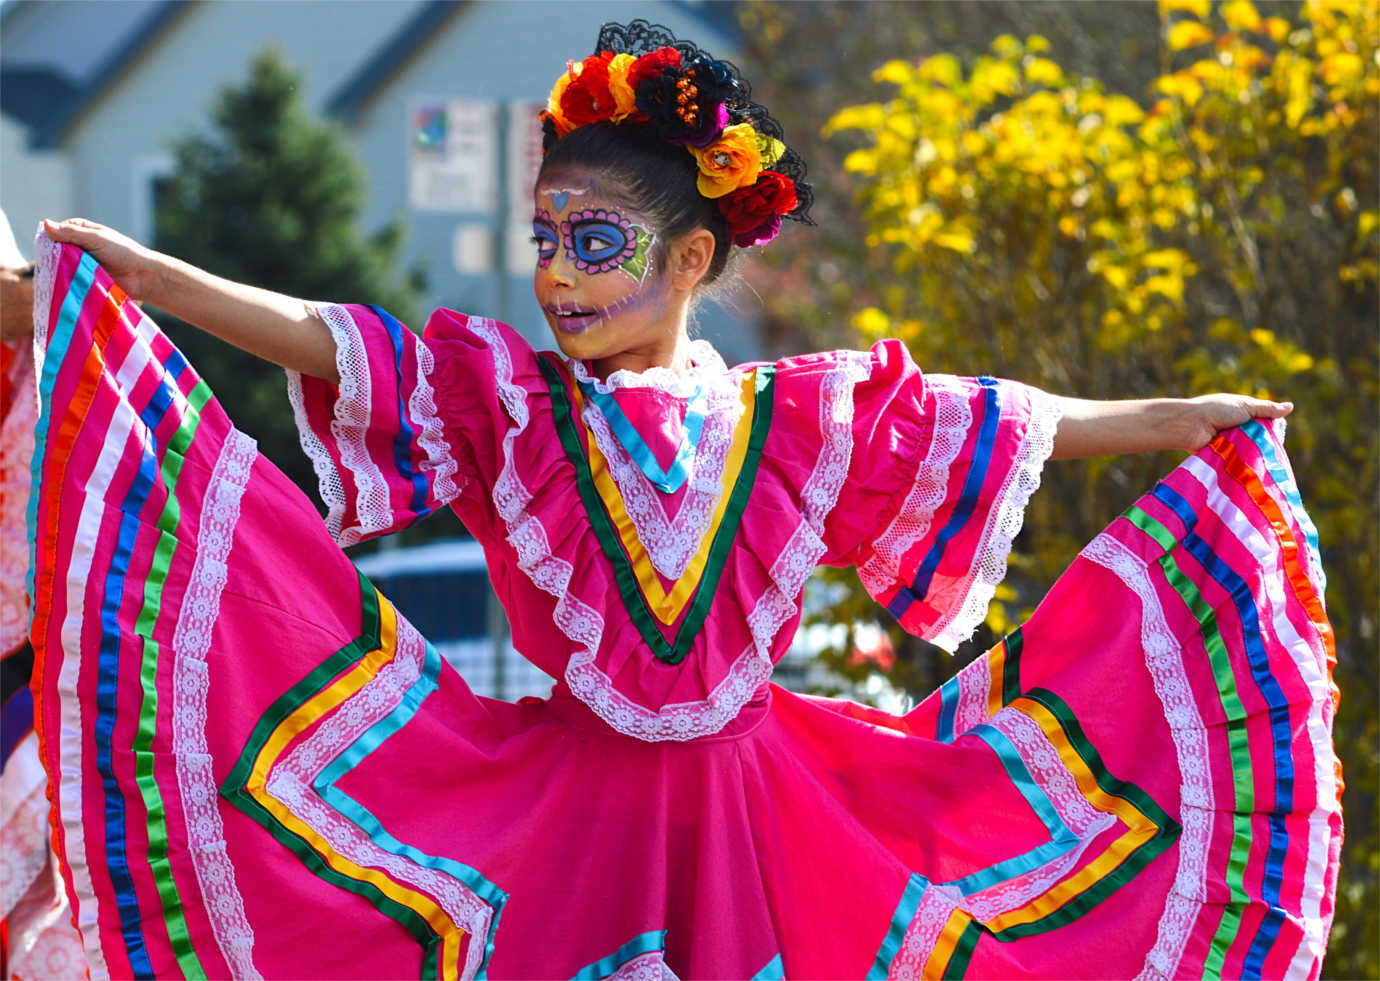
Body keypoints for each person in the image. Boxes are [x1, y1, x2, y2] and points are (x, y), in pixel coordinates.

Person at [27, 20, 1338, 980]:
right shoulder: (512, 403)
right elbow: (327, 337)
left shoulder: (797, 422)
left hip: (771, 822)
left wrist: (1177, 425)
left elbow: (1004, 416)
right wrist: (151, 276)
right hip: (555, 827)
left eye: (594, 244)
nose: (560, 276)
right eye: (545, 241)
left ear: (694, 255)